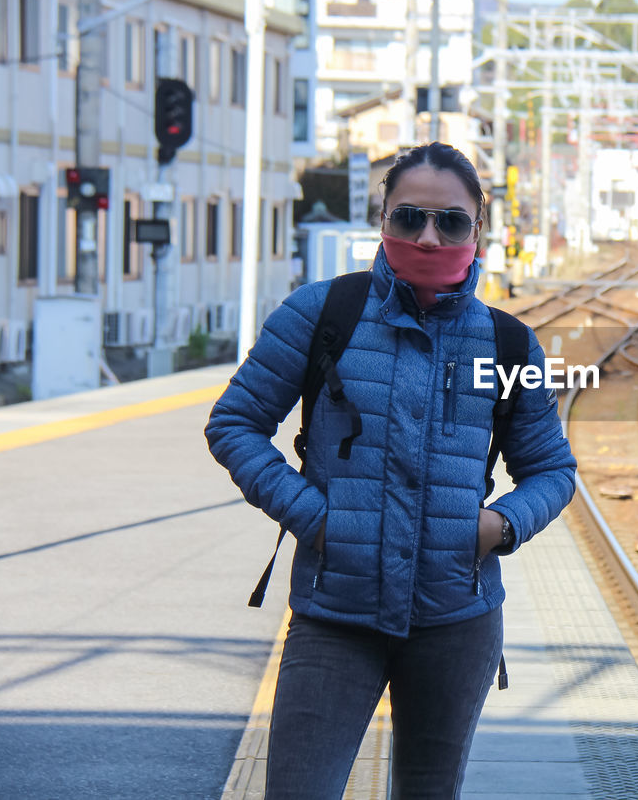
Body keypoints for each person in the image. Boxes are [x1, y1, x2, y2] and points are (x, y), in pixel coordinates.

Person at [205, 142, 577, 799]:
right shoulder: (322, 314)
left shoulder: (508, 343)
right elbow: (235, 423)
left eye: (450, 221)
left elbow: (551, 469)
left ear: (478, 228)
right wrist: (313, 515)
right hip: (334, 615)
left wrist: (498, 525)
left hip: (457, 620)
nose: (429, 235)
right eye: (409, 218)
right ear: (383, 218)